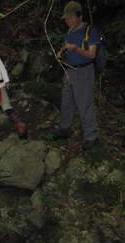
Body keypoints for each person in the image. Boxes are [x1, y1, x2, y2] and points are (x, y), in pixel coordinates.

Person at [54, 1, 99, 150]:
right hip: (69, 71)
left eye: (70, 18)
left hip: (84, 71)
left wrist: (77, 49)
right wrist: (61, 53)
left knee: (84, 104)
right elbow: (66, 48)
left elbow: (92, 55)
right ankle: (64, 129)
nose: (68, 21)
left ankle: (91, 136)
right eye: (66, 19)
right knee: (66, 101)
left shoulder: (90, 31)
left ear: (79, 16)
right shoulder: (70, 32)